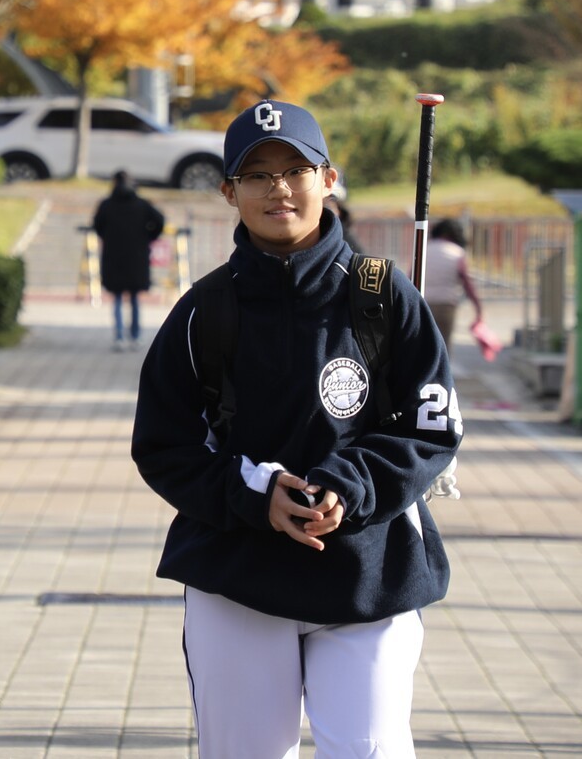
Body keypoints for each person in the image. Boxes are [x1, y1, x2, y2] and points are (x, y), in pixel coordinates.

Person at [132, 99, 463, 758]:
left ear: (328, 179)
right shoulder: (205, 308)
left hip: (369, 575)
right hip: (237, 577)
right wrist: (253, 493)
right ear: (228, 191)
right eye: (255, 175)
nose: (277, 188)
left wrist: (350, 485)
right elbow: (162, 445)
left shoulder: (383, 294)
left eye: (295, 169)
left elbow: (430, 427)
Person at [92, 170, 165, 351]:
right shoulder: (141, 204)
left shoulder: (106, 205)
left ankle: (119, 336)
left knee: (116, 297)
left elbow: (97, 226)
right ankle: (136, 335)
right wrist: (149, 236)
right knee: (134, 298)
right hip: (137, 257)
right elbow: (160, 220)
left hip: (113, 256)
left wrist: (108, 237)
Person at [425, 218, 484, 356]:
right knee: (443, 348)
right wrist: (478, 308)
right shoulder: (457, 253)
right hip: (446, 306)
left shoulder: (424, 250)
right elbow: (467, 284)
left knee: (424, 345)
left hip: (424, 304)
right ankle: (441, 376)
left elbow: (411, 277)